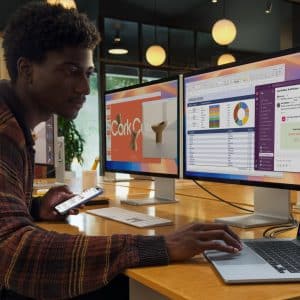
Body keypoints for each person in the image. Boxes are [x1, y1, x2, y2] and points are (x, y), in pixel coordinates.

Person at [0, 2, 242, 299]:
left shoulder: (15, 124)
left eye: (88, 73)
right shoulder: (4, 133)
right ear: (27, 70)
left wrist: (35, 208)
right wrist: (161, 245)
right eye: (71, 71)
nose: (84, 89)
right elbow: (12, 253)